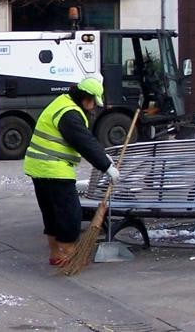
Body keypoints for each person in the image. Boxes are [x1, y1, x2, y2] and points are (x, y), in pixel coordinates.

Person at [23, 77, 120, 266]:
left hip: (38, 167)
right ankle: (69, 255)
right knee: (70, 215)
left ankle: (55, 254)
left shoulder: (61, 102)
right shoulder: (70, 113)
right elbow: (83, 142)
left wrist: (103, 156)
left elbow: (85, 140)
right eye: (93, 103)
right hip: (54, 169)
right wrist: (107, 167)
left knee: (51, 214)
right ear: (86, 98)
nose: (93, 108)